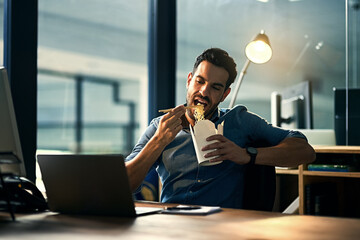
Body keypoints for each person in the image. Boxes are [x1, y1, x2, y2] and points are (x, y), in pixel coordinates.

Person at [125, 48, 315, 210]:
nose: (204, 92)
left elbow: (305, 151)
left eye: (215, 87)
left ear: (225, 94)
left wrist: (247, 155)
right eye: (200, 81)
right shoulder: (160, 127)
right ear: (189, 80)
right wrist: (158, 141)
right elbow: (123, 185)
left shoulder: (239, 120)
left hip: (224, 227)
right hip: (173, 225)